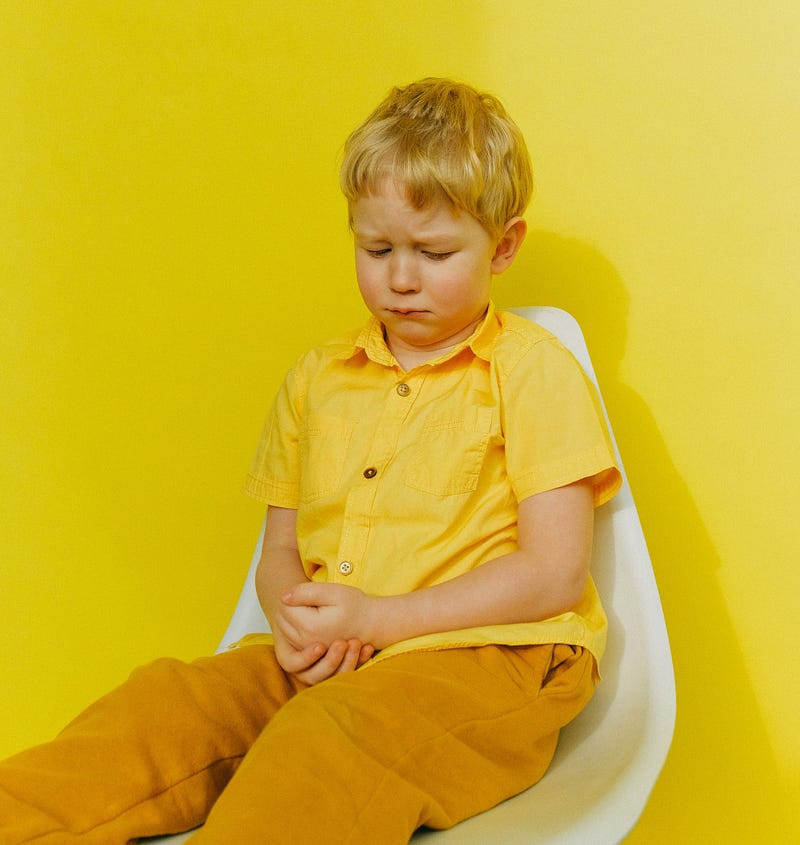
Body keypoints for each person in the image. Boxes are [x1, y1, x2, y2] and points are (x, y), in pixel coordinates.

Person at [0, 78, 621, 844]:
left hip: (487, 661)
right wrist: (298, 617)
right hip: (337, 653)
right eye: (376, 247)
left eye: (432, 252)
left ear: (503, 246)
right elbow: (282, 550)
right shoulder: (318, 378)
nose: (399, 277)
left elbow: (554, 572)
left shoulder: (532, 370)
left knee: (325, 744)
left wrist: (383, 619)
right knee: (166, 705)